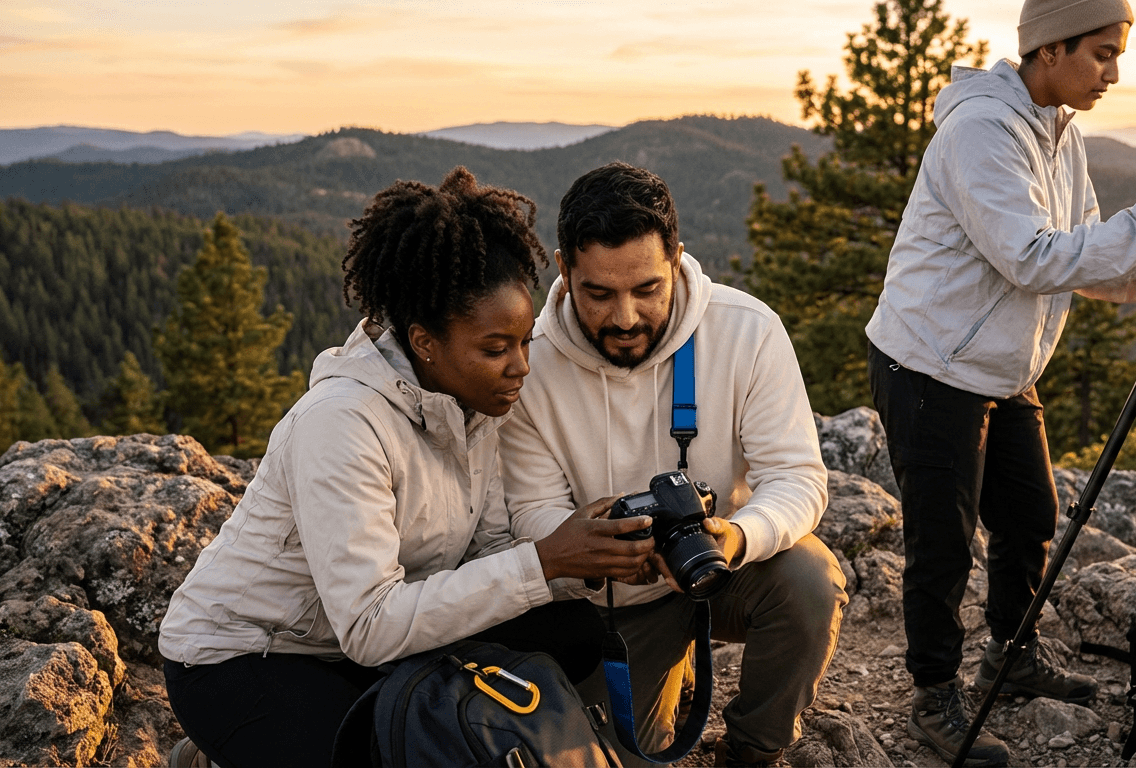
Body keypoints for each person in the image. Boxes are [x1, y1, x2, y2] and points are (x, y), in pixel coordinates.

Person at [158, 167, 657, 768]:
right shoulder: (342, 422)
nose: (520, 368)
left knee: (572, 632)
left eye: (525, 342)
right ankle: (215, 752)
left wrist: (586, 562)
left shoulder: (474, 408)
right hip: (250, 656)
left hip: (364, 645)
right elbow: (369, 624)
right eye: (495, 349)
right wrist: (546, 559)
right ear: (424, 343)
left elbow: (491, 547)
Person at [864, 0, 1136, 764]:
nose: (1113, 72)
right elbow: (1033, 256)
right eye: (1101, 53)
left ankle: (1010, 651)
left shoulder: (1062, 133)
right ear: (1048, 48)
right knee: (943, 545)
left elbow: (1084, 253)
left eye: (1117, 54)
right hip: (932, 365)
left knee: (1031, 514)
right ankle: (933, 698)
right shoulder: (980, 131)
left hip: (1001, 369)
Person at [499, 162, 848, 767]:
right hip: (610, 601)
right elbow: (530, 511)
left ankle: (753, 748)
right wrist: (593, 547)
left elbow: (796, 476)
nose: (626, 318)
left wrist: (736, 537)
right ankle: (666, 672)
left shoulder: (746, 332)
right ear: (564, 270)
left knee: (809, 581)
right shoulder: (530, 366)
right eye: (599, 294)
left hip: (721, 565)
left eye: (647, 289)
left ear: (677, 258)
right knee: (617, 758)